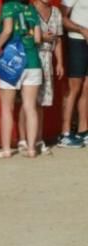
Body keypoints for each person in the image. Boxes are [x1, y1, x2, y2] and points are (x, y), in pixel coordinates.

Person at [0, 0, 42, 159]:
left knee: (7, 108)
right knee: (30, 107)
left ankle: (6, 150)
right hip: (33, 61)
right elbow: (38, 39)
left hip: (12, 60)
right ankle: (31, 149)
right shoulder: (32, 9)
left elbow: (7, 30)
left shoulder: (8, 7)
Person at [19, 0, 63, 154]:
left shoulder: (56, 12)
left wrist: (60, 63)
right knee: (28, 101)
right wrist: (40, 36)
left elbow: (58, 40)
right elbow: (21, 31)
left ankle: (38, 138)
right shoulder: (28, 9)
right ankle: (23, 139)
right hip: (31, 56)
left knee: (41, 101)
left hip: (47, 58)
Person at [58, 0, 88, 147]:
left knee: (87, 88)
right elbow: (62, 18)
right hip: (77, 41)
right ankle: (65, 133)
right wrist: (82, 30)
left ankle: (83, 132)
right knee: (74, 88)